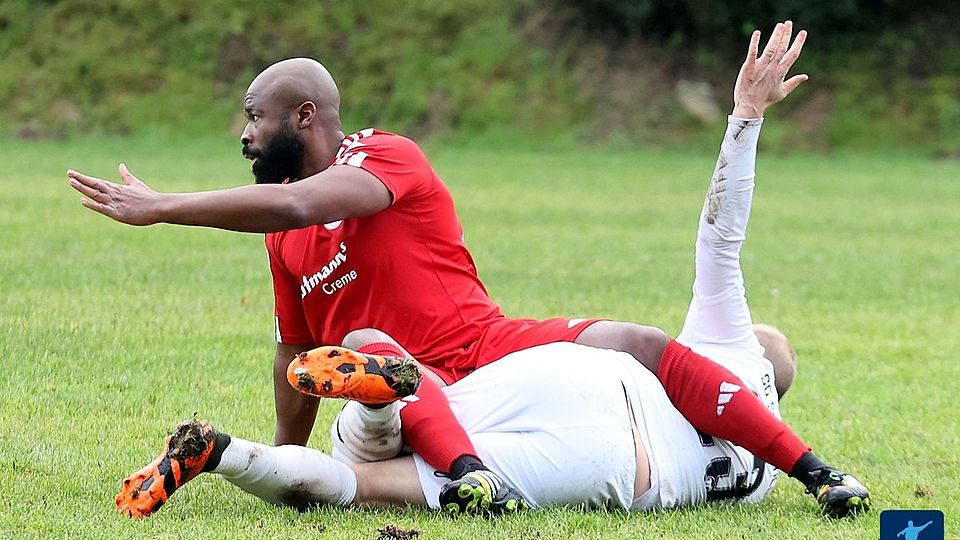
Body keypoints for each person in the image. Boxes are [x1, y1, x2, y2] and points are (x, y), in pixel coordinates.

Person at [72, 21, 855, 515]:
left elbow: (302, 205)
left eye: (255, 116)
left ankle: (814, 470)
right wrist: (292, 444)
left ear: (303, 117)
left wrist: (164, 206)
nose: (244, 134)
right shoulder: (280, 238)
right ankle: (339, 449)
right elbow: (291, 348)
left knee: (641, 341)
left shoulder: (384, 155)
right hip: (412, 391)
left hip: (485, 346)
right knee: (373, 371)